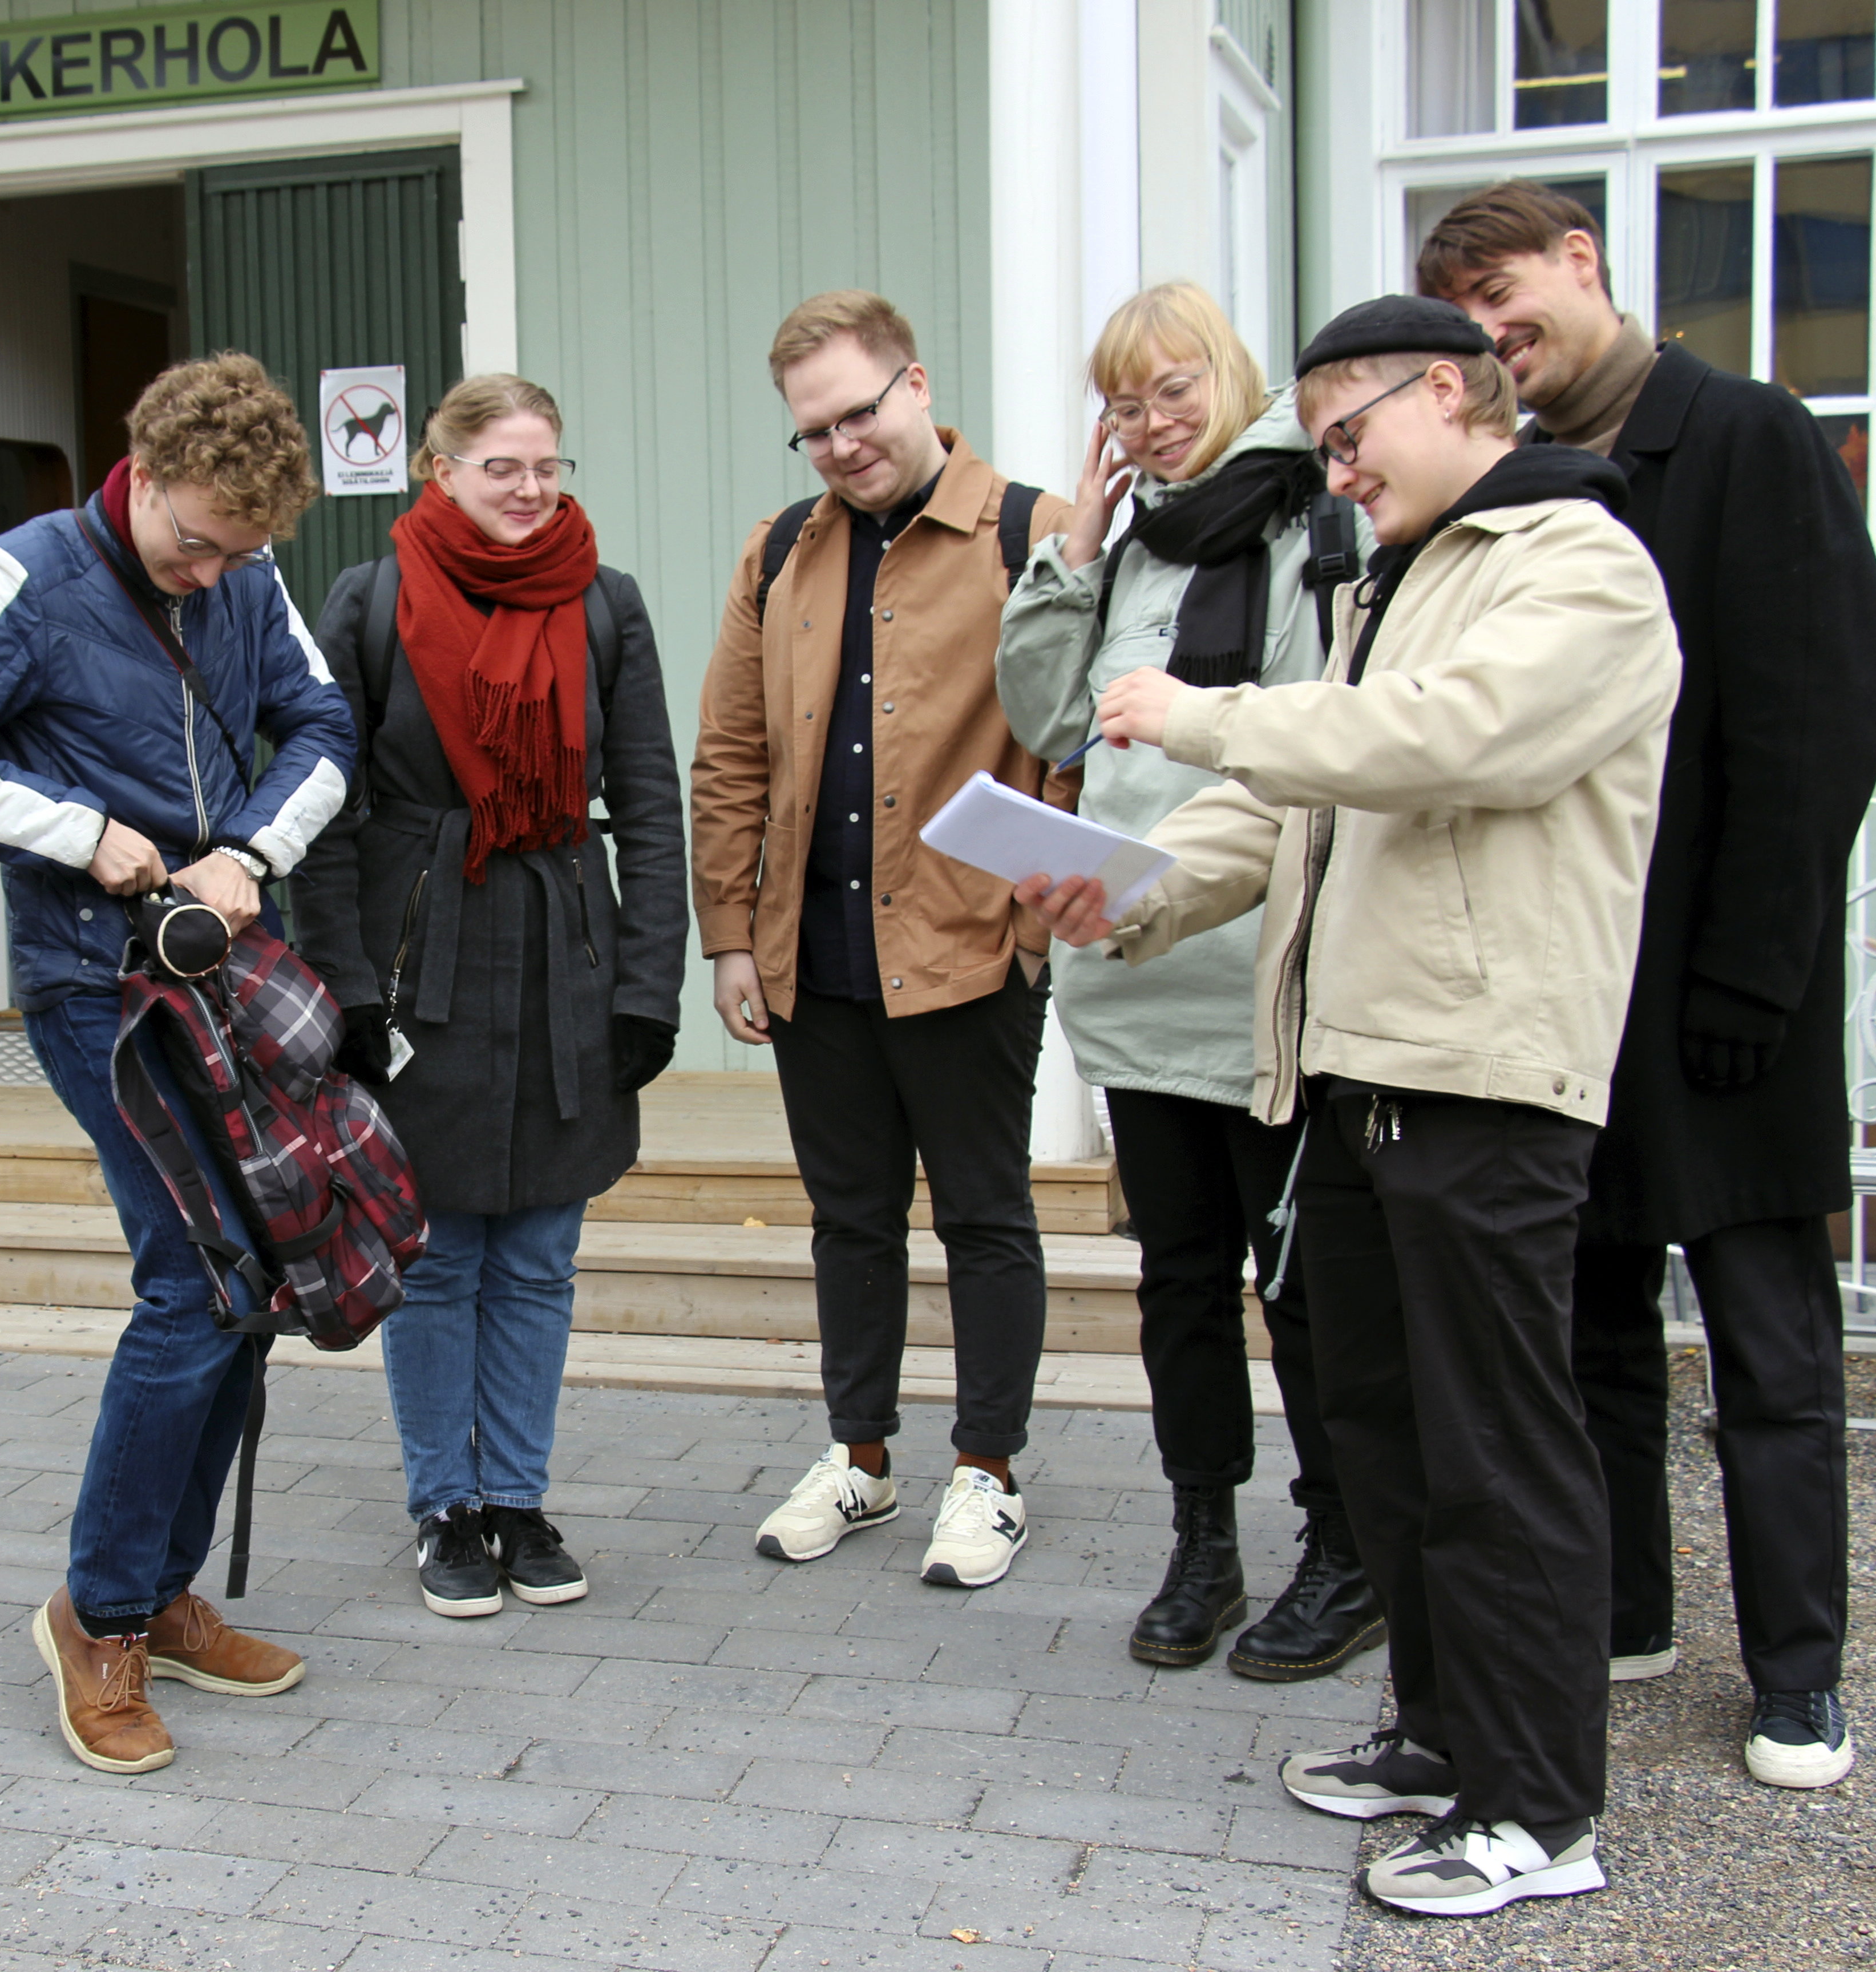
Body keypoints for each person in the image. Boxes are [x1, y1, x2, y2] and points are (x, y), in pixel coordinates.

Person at [1022, 296, 1680, 1916]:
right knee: (1393, 1444)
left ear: (1445, 391)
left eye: (1345, 436)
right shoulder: (1402, 578)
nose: (1336, 470)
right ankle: (1444, 1741)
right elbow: (1300, 813)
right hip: (1362, 1083)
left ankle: (1541, 1815)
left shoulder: (1578, 566)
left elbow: (1451, 743)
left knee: (1502, 1450)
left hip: (1487, 1078)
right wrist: (1136, 899)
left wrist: (1195, 712)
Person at [1420, 180, 1876, 1791]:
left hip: (1728, 988)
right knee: (1596, 1328)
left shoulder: (1747, 436)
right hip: (1583, 991)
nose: (1496, 334)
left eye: (1508, 293)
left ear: (1583, 262)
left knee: (1770, 1350)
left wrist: (1754, 984)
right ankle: (1625, 1611)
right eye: (1465, 318)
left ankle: (1800, 1676)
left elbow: (1816, 722)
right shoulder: (1537, 486)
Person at [0, 353, 357, 1773]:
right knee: (193, 1283)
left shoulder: (246, 580)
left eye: (242, 553)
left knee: (249, 1286)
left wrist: (250, 851)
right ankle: (99, 1617)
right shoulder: (23, 576)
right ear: (142, 471)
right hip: (97, 988)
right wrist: (80, 834)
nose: (212, 575)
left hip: (225, 973)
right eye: (195, 541)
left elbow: (323, 728)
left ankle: (163, 1588)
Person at [998, 281, 1381, 1680]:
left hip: (1260, 978)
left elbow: (1303, 749)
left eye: (1174, 390)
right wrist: (1076, 550)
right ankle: (1202, 1540)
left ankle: (1342, 1550)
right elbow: (1046, 714)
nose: (1151, 424)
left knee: (1305, 1292)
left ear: (1234, 379)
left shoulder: (1310, 530)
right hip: (1135, 980)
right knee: (1178, 1282)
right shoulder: (1135, 551)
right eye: (1123, 402)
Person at [690, 290, 1071, 1588]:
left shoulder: (1035, 533)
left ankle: (990, 1475)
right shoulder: (779, 553)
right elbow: (731, 755)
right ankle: (859, 1458)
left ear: (917, 387)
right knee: (849, 1220)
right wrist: (732, 934)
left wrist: (1031, 923)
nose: (844, 444)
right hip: (816, 958)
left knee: (984, 1216)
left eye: (861, 411)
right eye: (815, 429)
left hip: (970, 950)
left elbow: (1075, 751)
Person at [296, 375, 689, 1619]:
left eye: (548, 467)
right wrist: (343, 988)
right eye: (502, 467)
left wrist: (648, 982)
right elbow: (323, 813)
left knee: (540, 1252)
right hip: (426, 968)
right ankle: (444, 1507)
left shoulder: (605, 607)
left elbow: (651, 806)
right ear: (440, 469)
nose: (530, 490)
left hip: (564, 955)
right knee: (438, 1250)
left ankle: (517, 1497)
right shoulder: (369, 604)